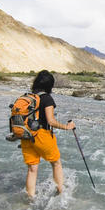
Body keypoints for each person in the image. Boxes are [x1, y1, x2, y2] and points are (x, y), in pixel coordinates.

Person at [21, 70, 75, 198]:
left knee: (32, 169)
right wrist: (67, 127)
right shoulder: (47, 98)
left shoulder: (28, 97)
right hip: (42, 135)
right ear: (49, 85)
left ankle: (30, 199)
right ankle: (60, 191)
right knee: (56, 163)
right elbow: (51, 121)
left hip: (26, 135)